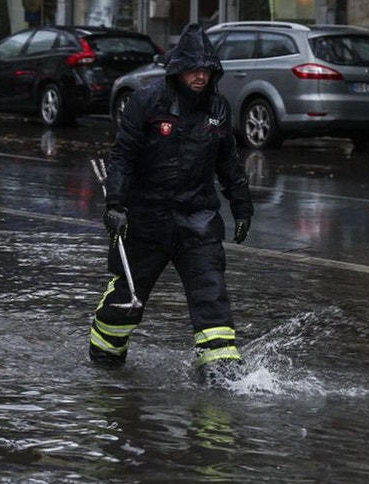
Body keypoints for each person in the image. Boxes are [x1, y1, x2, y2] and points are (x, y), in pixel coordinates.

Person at [89, 23, 253, 383]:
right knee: (125, 300)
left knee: (211, 298)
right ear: (178, 69)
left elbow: (228, 163)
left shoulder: (218, 108)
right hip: (147, 220)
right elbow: (123, 157)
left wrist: (242, 206)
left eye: (206, 70)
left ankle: (221, 372)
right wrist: (115, 205)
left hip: (198, 221)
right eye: (193, 69)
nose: (200, 76)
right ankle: (104, 360)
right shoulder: (148, 101)